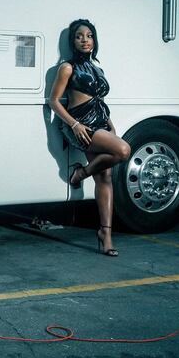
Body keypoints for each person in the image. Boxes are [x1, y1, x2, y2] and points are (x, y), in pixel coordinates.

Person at [48, 19, 131, 256]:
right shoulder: (67, 68)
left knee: (105, 177)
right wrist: (74, 125)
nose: (85, 40)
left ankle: (106, 234)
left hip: (101, 124)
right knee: (123, 150)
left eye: (89, 35)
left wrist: (111, 126)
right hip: (81, 125)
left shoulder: (98, 69)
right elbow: (54, 101)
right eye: (79, 36)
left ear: (94, 40)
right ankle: (81, 173)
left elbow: (100, 101)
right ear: (72, 42)